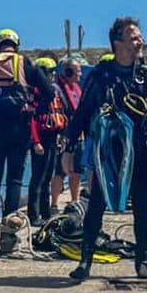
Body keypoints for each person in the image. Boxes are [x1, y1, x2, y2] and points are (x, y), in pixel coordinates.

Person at [58, 17, 147, 282]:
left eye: (140, 37)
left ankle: (141, 260)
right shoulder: (102, 75)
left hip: (142, 150)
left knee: (142, 206)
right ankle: (85, 261)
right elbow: (82, 112)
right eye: (134, 37)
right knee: (97, 204)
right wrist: (67, 149)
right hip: (108, 152)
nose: (140, 41)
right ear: (117, 43)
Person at [0, 28, 54, 236]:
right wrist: (34, 109)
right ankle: (8, 228)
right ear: (16, 45)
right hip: (20, 127)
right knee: (14, 178)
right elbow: (49, 93)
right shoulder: (25, 63)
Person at [26, 55, 68, 222]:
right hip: (40, 138)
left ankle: (45, 212)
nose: (52, 75)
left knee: (47, 176)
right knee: (37, 177)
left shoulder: (54, 91)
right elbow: (32, 120)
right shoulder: (34, 93)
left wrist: (61, 136)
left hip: (52, 137)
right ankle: (33, 214)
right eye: (49, 72)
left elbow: (62, 114)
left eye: (53, 72)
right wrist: (35, 142)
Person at [50, 56, 84, 210]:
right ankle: (54, 203)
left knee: (76, 170)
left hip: (77, 135)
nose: (80, 75)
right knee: (60, 171)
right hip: (63, 136)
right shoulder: (57, 89)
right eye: (77, 71)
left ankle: (74, 201)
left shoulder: (76, 89)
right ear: (68, 71)